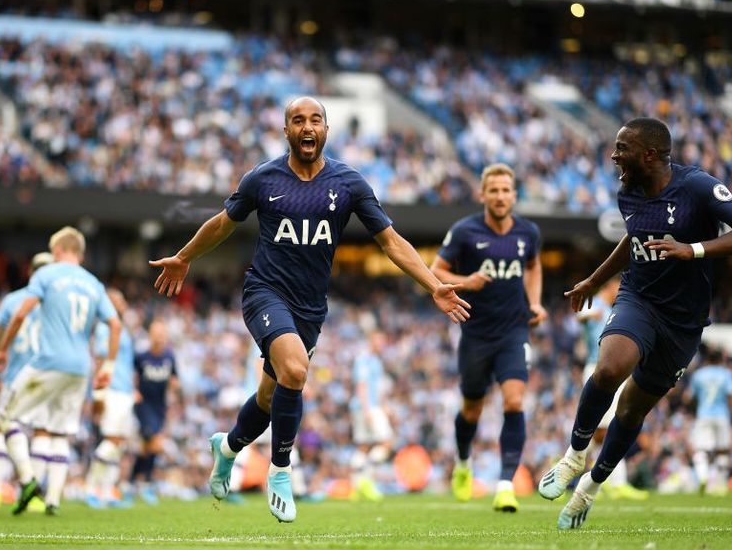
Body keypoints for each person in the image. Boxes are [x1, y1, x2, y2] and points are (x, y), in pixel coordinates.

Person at [150, 96, 470, 523]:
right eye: (298, 120)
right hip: (264, 293)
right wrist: (184, 256)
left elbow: (391, 242)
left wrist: (433, 285)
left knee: (269, 397)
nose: (307, 126)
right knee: (296, 370)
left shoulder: (349, 183)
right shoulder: (262, 179)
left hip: (310, 308)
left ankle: (227, 447)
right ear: (286, 130)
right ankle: (281, 471)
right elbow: (223, 223)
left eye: (315, 119)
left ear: (325, 129)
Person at [540, 117, 732, 530]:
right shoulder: (628, 191)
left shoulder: (697, 186)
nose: (614, 156)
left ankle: (590, 486)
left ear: (649, 155)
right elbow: (635, 237)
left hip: (683, 321)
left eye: (622, 148)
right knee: (609, 368)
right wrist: (595, 279)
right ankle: (574, 455)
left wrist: (693, 249)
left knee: (632, 407)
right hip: (639, 299)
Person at [430, 163, 547, 513]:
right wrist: (466, 281)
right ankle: (463, 462)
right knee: (472, 408)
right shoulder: (465, 231)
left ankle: (505, 485)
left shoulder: (528, 232)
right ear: (482, 195)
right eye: (493, 190)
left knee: (514, 402)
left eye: (505, 190)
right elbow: (435, 270)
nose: (499, 196)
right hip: (475, 333)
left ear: (514, 195)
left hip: (514, 331)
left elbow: (533, 266)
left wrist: (535, 302)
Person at [0, 226, 121, 515]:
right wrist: (108, 366)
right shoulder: (93, 283)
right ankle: (52, 500)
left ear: (59, 250)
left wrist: (2, 349)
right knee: (60, 432)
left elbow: (21, 314)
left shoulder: (47, 274)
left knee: (5, 416)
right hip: (80, 369)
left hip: (48, 361)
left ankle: (28, 480)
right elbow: (115, 324)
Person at [0, 251, 53, 511]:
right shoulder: (55, 302)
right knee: (42, 431)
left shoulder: (12, 300)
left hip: (13, 376)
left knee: (2, 428)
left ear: (31, 272)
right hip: (45, 375)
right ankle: (34, 496)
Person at [576, 277, 648, 501]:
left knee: (604, 431)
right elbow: (580, 316)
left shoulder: (614, 309)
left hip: (615, 372)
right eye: (618, 286)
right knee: (606, 429)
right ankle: (616, 482)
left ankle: (566, 462)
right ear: (608, 286)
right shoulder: (596, 304)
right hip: (597, 370)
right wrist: (590, 315)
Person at [85, 288, 139, 508]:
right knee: (111, 440)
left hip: (124, 390)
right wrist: (99, 393)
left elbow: (126, 363)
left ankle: (107, 491)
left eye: (122, 298)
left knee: (119, 443)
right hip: (112, 389)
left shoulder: (122, 329)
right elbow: (100, 359)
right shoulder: (104, 328)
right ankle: (91, 488)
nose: (122, 302)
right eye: (117, 299)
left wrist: (133, 389)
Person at [129, 319, 179, 505]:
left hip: (160, 406)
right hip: (144, 405)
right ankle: (147, 482)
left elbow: (175, 378)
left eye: (162, 333)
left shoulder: (169, 357)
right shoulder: (141, 356)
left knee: (146, 447)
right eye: (156, 333)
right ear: (150, 335)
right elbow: (132, 376)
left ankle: (132, 481)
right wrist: (133, 391)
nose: (159, 337)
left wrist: (174, 388)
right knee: (156, 443)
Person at [349, 330, 392, 502]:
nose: (382, 345)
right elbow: (362, 384)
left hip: (370, 406)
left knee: (364, 447)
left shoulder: (375, 360)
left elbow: (377, 387)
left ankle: (356, 485)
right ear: (371, 341)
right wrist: (367, 409)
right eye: (379, 341)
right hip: (366, 406)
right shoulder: (364, 359)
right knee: (387, 442)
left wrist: (385, 406)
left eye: (383, 341)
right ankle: (367, 480)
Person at [687, 349, 732, 495]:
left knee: (701, 449)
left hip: (703, 415)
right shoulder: (726, 374)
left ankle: (703, 477)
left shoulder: (698, 375)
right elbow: (731, 397)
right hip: (722, 415)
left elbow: (690, 398)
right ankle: (720, 484)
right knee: (722, 450)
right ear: (720, 360)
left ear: (707, 360)